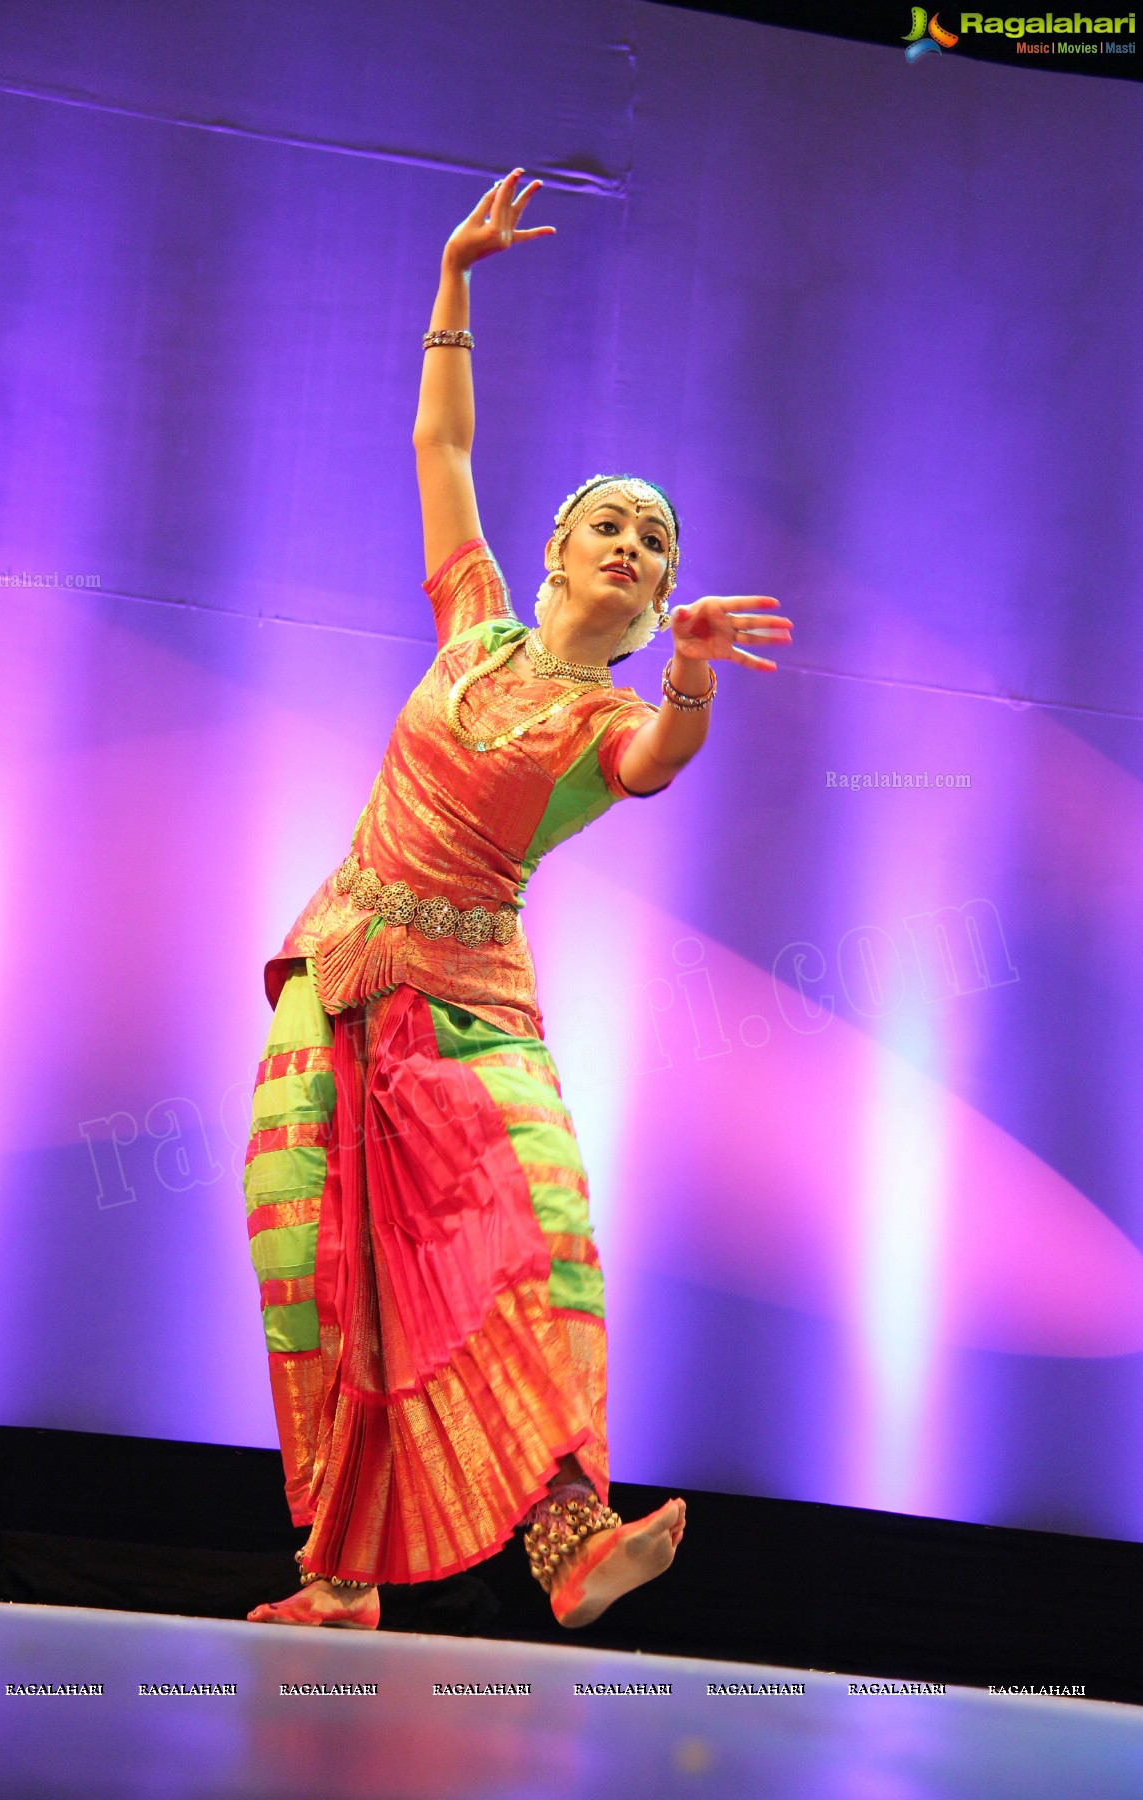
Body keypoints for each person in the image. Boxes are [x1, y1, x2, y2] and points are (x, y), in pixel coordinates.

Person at [244, 169, 792, 1631]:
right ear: (556, 550)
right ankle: (338, 1580)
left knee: (529, 1240)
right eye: (610, 525)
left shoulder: (601, 725)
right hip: (340, 970)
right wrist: (454, 280)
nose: (632, 547)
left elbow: (663, 758)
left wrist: (686, 671)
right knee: (317, 1259)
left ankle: (567, 1537)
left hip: (472, 1015)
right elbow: (443, 439)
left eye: (658, 543)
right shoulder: (472, 619)